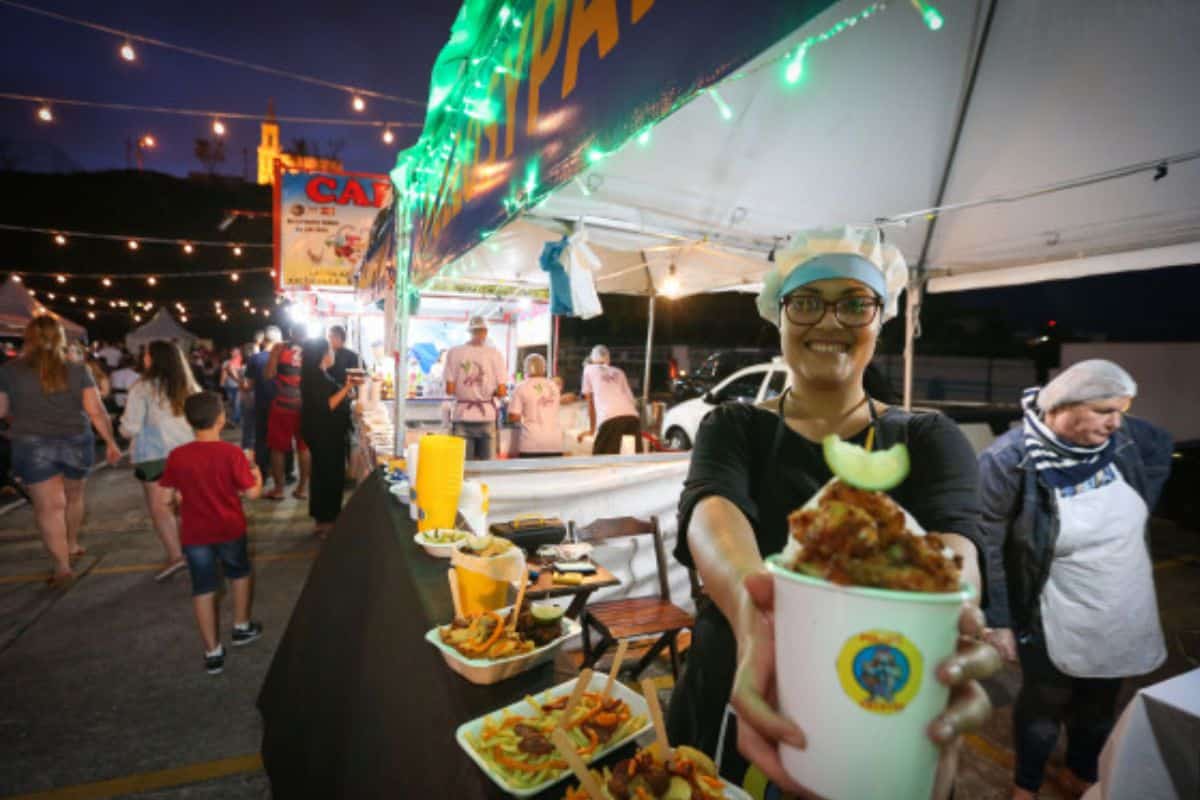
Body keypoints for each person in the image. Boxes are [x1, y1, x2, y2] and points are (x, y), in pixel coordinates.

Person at [665, 227, 998, 798]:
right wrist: (756, 616)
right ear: (778, 313)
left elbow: (955, 550)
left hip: (872, 693)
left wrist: (947, 621)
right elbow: (712, 514)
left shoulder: (927, 438)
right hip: (735, 685)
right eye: (808, 302)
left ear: (880, 317)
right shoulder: (734, 426)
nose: (830, 321)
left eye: (854, 303)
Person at [978, 360, 1172, 800]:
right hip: (1054, 603)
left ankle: (1080, 772)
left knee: (1102, 700)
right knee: (1046, 701)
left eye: (1122, 410)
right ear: (1063, 407)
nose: (1117, 422)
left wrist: (1139, 507)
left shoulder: (1125, 441)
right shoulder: (1008, 461)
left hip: (1121, 597)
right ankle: (1026, 784)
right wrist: (999, 620)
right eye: (1106, 410)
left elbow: (1160, 449)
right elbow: (985, 543)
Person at [0, 317, 121, 583]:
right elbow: (96, 412)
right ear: (60, 339)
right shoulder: (78, 370)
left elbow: (1, 410)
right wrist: (111, 442)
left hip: (31, 444)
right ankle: (73, 542)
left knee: (49, 507)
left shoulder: (9, 371)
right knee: (74, 497)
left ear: (28, 339)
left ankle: (62, 566)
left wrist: (17, 418)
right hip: (75, 441)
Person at [159, 392, 263, 675]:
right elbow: (252, 493)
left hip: (195, 534)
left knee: (203, 588)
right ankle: (241, 626)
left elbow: (165, 498)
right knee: (239, 573)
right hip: (230, 528)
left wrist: (182, 499)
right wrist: (258, 473)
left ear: (189, 421)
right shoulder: (232, 453)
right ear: (222, 419)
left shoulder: (178, 456)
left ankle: (212, 652)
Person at [120, 340, 198, 581]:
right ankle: (193, 550)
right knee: (185, 505)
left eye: (146, 355)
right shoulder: (189, 385)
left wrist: (121, 430)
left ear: (151, 359)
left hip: (153, 455)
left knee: (161, 508)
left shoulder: (141, 388)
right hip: (187, 452)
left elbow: (130, 428)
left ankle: (176, 556)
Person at [300, 338, 361, 539]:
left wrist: (346, 393)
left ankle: (325, 519)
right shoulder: (315, 376)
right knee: (328, 475)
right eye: (331, 351)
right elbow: (326, 405)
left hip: (326, 433)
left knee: (326, 474)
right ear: (323, 354)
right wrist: (346, 388)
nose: (333, 354)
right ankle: (325, 522)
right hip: (324, 433)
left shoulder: (317, 374)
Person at [444, 316, 508, 460]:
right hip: (486, 416)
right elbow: (502, 392)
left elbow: (449, 389)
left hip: (462, 415)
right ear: (485, 332)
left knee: (464, 467)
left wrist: (466, 389)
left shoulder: (454, 352)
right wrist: (487, 390)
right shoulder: (495, 354)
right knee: (488, 467)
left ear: (469, 332)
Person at [264, 333, 310, 499]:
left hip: (282, 405)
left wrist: (274, 356)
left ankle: (278, 490)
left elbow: (268, 374)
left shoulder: (279, 348)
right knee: (304, 448)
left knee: (278, 449)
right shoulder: (311, 349)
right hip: (304, 405)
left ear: (291, 333)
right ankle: (303, 489)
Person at [578, 345, 643, 455]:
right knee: (634, 460)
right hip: (633, 419)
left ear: (592, 359)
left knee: (600, 460)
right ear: (608, 358)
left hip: (610, 419)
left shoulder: (588, 369)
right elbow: (631, 400)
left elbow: (590, 402)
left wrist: (592, 430)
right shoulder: (619, 372)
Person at [244, 326, 283, 489]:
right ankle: (285, 474)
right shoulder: (283, 358)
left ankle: (263, 474)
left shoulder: (255, 359)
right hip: (281, 404)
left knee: (262, 440)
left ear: (265, 340)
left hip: (262, 405)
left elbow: (248, 385)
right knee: (281, 441)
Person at [507, 353, 563, 458]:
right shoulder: (554, 386)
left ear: (526, 369)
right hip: (555, 443)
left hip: (531, 443)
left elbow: (513, 416)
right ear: (544, 368)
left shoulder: (521, 387)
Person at [238, 344, 257, 450]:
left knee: (248, 428)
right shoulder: (245, 368)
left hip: (246, 400)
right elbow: (245, 387)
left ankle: (247, 450)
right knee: (249, 428)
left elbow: (242, 386)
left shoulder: (243, 367)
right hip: (250, 401)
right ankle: (247, 451)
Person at [220, 347, 244, 426]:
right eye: (233, 352)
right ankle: (236, 419)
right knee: (232, 403)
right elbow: (224, 373)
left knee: (237, 403)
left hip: (238, 386)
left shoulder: (241, 362)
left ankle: (234, 420)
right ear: (231, 353)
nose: (235, 353)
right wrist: (222, 383)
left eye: (237, 352)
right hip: (229, 385)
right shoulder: (226, 362)